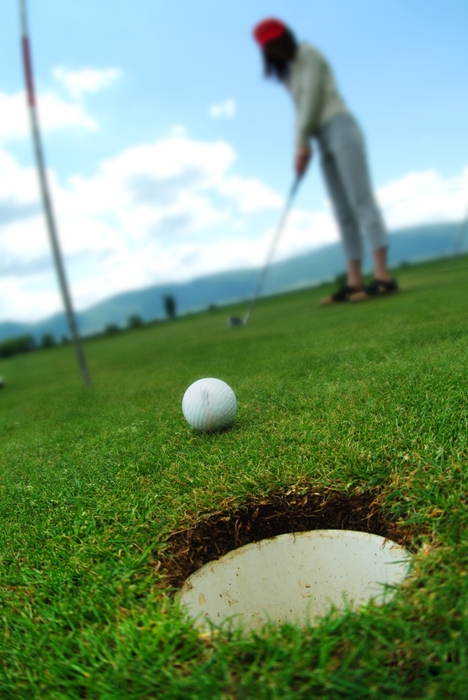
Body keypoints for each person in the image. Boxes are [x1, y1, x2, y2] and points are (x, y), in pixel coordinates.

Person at [252, 18, 398, 305]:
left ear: (287, 36)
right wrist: (302, 146)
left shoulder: (311, 54)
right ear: (266, 50)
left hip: (340, 125)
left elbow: (314, 101)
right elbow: (299, 115)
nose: (277, 47)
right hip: (320, 139)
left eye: (278, 40)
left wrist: (301, 143)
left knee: (361, 200)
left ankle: (383, 276)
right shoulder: (290, 77)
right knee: (342, 211)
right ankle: (354, 282)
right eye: (270, 45)